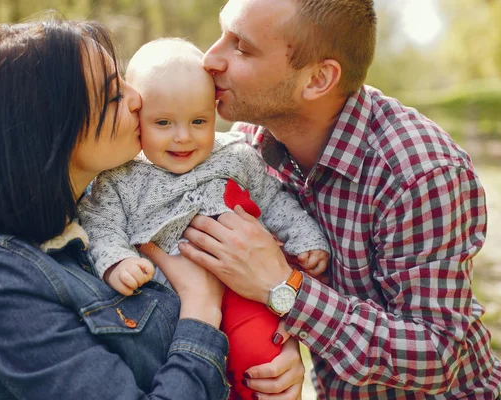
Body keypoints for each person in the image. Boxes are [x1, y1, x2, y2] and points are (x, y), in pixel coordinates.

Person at [0, 18, 304, 399]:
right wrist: (202, 311)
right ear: (52, 126)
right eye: (113, 94)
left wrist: (267, 351)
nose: (137, 98)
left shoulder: (104, 204)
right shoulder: (4, 278)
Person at [172, 0, 501, 399]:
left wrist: (285, 291)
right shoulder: (247, 149)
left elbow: (440, 354)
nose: (210, 59)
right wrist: (282, 339)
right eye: (223, 33)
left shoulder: (419, 173)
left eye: (241, 46)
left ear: (317, 79)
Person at [78, 37, 329, 400]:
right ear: (138, 119)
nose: (183, 137)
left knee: (262, 363)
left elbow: (274, 200)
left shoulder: (236, 156)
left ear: (216, 112)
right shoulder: (120, 177)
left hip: (244, 289)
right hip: (164, 302)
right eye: (163, 122)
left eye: (199, 121)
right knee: (184, 373)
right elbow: (101, 225)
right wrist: (117, 260)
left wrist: (304, 236)